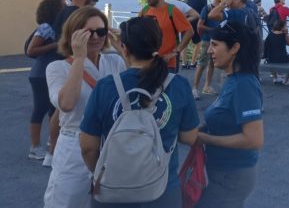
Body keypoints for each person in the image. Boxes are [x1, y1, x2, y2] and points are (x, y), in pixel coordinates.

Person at [79, 16, 199, 207]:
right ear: (158, 45)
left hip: (112, 190)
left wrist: (100, 174)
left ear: (124, 48)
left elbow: (88, 147)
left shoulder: (106, 87)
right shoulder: (178, 85)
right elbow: (189, 137)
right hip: (162, 189)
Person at [43, 6, 126, 208]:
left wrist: (123, 51)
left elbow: (135, 94)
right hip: (74, 145)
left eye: (101, 31)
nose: (96, 37)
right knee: (67, 202)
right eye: (88, 32)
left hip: (110, 144)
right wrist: (79, 58)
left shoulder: (115, 61)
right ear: (74, 34)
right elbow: (66, 104)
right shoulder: (58, 68)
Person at [197, 22, 264, 208]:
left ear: (234, 48)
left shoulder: (245, 84)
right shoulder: (233, 80)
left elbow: (253, 140)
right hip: (222, 173)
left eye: (215, 45)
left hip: (232, 176)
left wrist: (205, 138)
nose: (210, 50)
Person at [26, 0, 65, 164]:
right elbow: (31, 50)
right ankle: (35, 148)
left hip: (49, 72)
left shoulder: (57, 27)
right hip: (41, 74)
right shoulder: (46, 27)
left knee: (53, 109)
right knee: (40, 109)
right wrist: (55, 45)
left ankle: (52, 143)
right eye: (63, 6)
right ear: (55, 9)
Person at [140, 0, 194, 74]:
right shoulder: (145, 10)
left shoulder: (171, 10)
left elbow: (189, 31)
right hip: (147, 61)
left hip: (167, 63)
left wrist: (176, 52)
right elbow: (136, 30)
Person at [193, 0, 224, 96]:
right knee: (202, 64)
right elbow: (199, 25)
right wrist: (213, 30)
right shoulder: (207, 8)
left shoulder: (223, 9)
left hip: (218, 41)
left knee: (212, 63)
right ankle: (195, 89)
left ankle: (206, 86)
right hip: (207, 40)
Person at [164, 0, 200, 69]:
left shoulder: (157, 5)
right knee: (172, 68)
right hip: (174, 38)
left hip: (157, 39)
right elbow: (196, 15)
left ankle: (183, 63)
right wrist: (181, 22)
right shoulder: (180, 4)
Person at [263, 20, 289, 85]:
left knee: (271, 60)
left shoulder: (270, 35)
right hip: (282, 58)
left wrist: (265, 56)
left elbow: (266, 46)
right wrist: (286, 33)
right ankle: (286, 80)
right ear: (282, 27)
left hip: (271, 59)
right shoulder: (283, 35)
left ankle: (275, 78)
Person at [186, 0, 210, 69]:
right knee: (197, 43)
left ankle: (184, 64)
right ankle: (193, 63)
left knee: (185, 42)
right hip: (196, 22)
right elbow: (205, 11)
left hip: (187, 21)